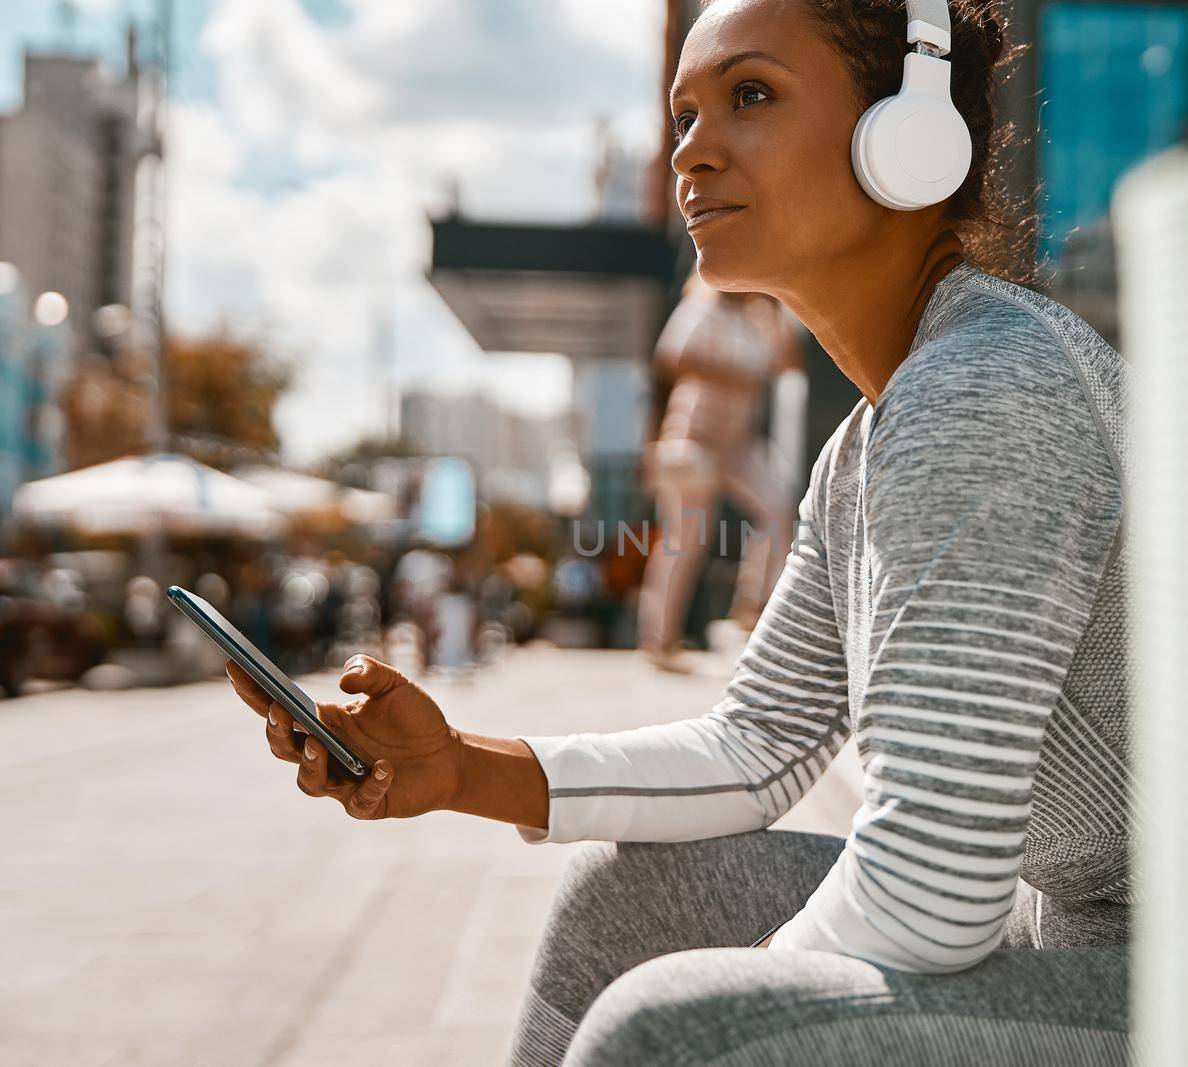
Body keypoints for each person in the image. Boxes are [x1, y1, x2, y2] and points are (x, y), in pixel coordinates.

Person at [223, 2, 1134, 1064]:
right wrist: (458, 765)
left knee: (673, 1027)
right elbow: (755, 748)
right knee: (627, 900)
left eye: (751, 96)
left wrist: (745, 986)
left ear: (908, 131)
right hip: (1064, 935)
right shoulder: (869, 443)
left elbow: (928, 896)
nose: (692, 150)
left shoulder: (985, 392)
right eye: (682, 114)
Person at [635, 272, 803, 673]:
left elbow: (788, 364)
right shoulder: (702, 304)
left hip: (737, 442)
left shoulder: (759, 318)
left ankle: (752, 605)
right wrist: (739, 378)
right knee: (686, 540)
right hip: (693, 438)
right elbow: (672, 358)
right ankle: (658, 640)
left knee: (779, 507)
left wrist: (778, 310)